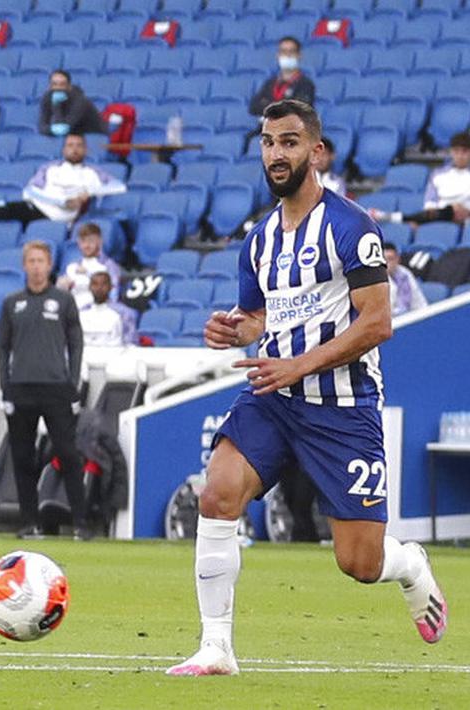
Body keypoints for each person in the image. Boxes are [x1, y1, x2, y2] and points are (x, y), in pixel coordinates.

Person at [170, 100, 446, 677]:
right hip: (275, 397)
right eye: (269, 142)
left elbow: (378, 323)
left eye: (290, 142)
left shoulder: (351, 226)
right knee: (218, 492)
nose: (277, 153)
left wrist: (298, 364)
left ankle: (411, 564)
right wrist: (234, 329)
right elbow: (257, 318)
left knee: (360, 563)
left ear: (315, 152)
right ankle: (216, 647)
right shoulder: (258, 241)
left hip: (343, 406)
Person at [0, 241, 86, 540]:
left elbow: (76, 344)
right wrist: (4, 387)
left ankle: (81, 524)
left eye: (41, 261)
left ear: (49, 265)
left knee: (68, 455)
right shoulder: (12, 303)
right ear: (24, 265)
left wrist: (73, 383)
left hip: (56, 389)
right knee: (22, 458)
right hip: (20, 389)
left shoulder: (63, 300)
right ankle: (28, 523)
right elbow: (2, 347)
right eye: (31, 261)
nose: (36, 266)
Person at [0, 133, 126, 227]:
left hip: (65, 218)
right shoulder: (51, 168)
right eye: (70, 145)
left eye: (79, 146)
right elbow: (30, 191)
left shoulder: (93, 173)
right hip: (42, 208)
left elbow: (119, 188)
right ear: (63, 150)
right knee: (10, 207)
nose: (75, 149)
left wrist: (90, 193)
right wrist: (62, 201)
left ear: (86, 150)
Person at [370, 132, 470, 226]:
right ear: (451, 152)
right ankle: (412, 219)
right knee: (446, 211)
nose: (460, 156)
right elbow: (430, 202)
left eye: (464, 152)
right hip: (440, 214)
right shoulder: (438, 174)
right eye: (456, 151)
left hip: (466, 217)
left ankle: (397, 217)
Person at [57, 222, 123, 309]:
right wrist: (61, 286)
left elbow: (113, 296)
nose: (86, 245)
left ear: (100, 241)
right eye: (83, 241)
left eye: (91, 241)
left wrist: (88, 274)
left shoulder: (110, 266)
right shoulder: (72, 267)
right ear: (78, 242)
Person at [248, 37, 316, 118]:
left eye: (291, 51)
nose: (287, 55)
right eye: (283, 51)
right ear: (278, 55)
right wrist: (281, 106)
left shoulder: (305, 84)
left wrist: (268, 104)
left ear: (299, 55)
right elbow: (253, 107)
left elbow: (297, 110)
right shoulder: (270, 83)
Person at [37, 69, 105, 138]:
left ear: (69, 86)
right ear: (50, 86)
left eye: (62, 84)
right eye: (54, 84)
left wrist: (56, 105)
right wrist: (51, 129)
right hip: (73, 137)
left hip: (93, 137)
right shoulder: (47, 97)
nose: (58, 88)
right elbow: (41, 126)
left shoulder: (80, 101)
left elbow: (64, 129)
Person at [79, 271, 136, 347]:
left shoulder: (124, 313)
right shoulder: (82, 311)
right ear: (89, 287)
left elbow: (131, 343)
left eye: (103, 284)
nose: (99, 288)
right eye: (95, 284)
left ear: (111, 287)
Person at [383, 242, 427, 316]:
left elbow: (418, 299)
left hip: (410, 318)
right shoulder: (374, 279)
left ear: (398, 259)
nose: (386, 263)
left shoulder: (405, 273)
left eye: (390, 259)